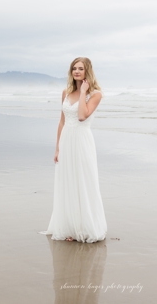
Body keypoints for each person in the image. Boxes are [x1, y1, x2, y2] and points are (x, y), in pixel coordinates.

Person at [46, 57, 107, 242]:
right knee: (68, 181)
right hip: (66, 141)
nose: (77, 71)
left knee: (82, 181)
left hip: (82, 141)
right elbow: (62, 121)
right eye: (74, 68)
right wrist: (57, 148)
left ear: (87, 71)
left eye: (81, 68)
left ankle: (83, 227)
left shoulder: (95, 94)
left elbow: (81, 116)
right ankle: (70, 227)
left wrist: (83, 92)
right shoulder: (65, 92)